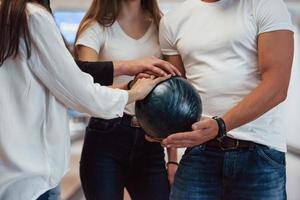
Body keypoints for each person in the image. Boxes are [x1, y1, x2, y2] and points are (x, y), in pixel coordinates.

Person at [0, 0, 171, 199]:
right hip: (33, 172)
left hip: (15, 168)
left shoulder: (10, 14)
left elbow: (69, 77)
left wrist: (126, 77)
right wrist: (133, 93)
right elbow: (79, 89)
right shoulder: (33, 18)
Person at [157, 0, 294, 199]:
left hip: (259, 151)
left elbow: (277, 87)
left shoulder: (266, 5)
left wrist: (220, 125)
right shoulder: (172, 20)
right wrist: (162, 127)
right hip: (200, 153)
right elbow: (179, 93)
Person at [74, 0, 179, 199]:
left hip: (151, 140)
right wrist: (131, 86)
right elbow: (85, 90)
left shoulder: (162, 26)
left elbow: (173, 97)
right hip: (106, 136)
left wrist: (172, 159)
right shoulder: (95, 28)